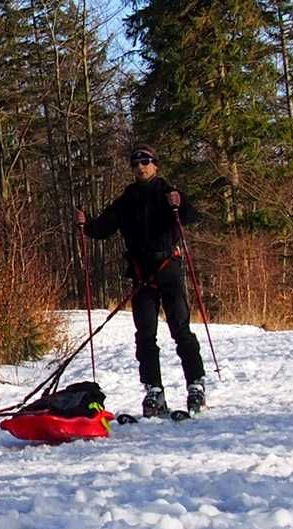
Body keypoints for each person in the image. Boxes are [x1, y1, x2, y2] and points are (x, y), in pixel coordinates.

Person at [78, 145, 205, 418]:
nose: (140, 167)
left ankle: (195, 385)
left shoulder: (168, 193)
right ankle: (154, 391)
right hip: (140, 275)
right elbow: (104, 227)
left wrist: (179, 203)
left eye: (146, 161)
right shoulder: (127, 199)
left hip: (168, 269)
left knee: (180, 330)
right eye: (136, 163)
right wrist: (85, 225)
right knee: (145, 336)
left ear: (155, 165)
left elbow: (191, 216)